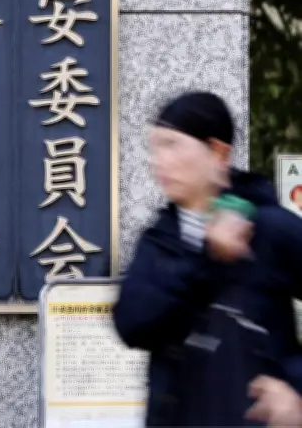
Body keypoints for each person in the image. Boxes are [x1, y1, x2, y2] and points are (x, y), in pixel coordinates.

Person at [113, 91, 302, 427]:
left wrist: (296, 389)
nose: (158, 161)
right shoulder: (160, 240)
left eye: (172, 145)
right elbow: (132, 325)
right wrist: (205, 256)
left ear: (218, 152)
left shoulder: (270, 228)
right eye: (154, 148)